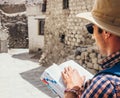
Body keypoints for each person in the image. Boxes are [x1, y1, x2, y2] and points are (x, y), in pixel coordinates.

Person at [61, 0, 120, 98]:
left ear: (106, 32)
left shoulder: (106, 84)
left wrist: (72, 89)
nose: (93, 36)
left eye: (92, 29)